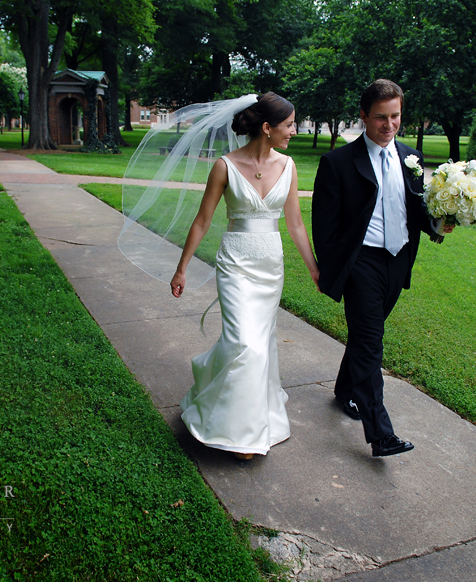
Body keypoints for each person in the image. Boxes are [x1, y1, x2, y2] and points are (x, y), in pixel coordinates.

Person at [170, 92, 320, 460]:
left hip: (270, 267)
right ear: (267, 128)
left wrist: (315, 269)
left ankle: (248, 418)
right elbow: (203, 220)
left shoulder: (288, 165)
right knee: (244, 344)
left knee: (260, 343)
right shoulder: (224, 166)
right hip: (236, 265)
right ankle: (239, 433)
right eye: (289, 125)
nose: (294, 131)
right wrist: (182, 267)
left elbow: (296, 224)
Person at [312, 79, 450, 457]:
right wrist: (332, 269)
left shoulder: (412, 158)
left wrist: (441, 222)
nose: (389, 125)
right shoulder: (338, 163)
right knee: (371, 343)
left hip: (399, 259)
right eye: (380, 118)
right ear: (363, 116)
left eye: (395, 117)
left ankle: (344, 391)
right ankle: (381, 434)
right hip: (362, 264)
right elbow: (324, 226)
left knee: (364, 335)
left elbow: (417, 210)